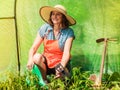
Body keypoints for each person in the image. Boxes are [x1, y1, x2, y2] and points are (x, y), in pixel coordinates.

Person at [27, 5, 76, 81]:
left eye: (58, 14)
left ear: (63, 17)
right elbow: (33, 48)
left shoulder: (68, 32)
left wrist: (61, 67)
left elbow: (66, 53)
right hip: (46, 62)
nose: (54, 17)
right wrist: (30, 60)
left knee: (63, 82)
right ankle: (45, 81)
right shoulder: (45, 28)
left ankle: (61, 79)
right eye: (53, 14)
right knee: (36, 57)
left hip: (60, 63)